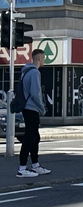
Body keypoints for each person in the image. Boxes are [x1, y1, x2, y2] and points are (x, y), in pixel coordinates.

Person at [16, 49, 51, 178]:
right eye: (43, 58)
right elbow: (36, 94)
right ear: (39, 58)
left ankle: (35, 165)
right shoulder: (35, 72)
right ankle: (22, 168)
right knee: (30, 138)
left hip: (27, 108)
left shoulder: (25, 71)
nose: (44, 60)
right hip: (32, 108)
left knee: (35, 137)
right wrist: (42, 109)